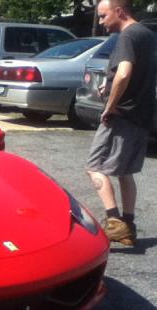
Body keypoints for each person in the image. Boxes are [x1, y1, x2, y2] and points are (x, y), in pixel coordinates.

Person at [86, 0, 156, 246]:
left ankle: (114, 223)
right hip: (142, 115)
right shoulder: (147, 34)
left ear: (119, 11)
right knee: (125, 172)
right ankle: (129, 226)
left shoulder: (127, 36)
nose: (102, 22)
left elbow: (125, 72)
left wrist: (110, 105)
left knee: (95, 167)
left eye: (104, 16)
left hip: (122, 115)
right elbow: (134, 73)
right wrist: (110, 80)